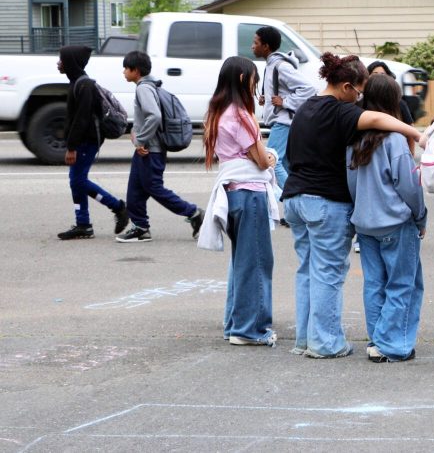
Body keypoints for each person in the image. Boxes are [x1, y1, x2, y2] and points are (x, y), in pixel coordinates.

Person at [283, 53, 423, 359]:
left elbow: (288, 156)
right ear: (346, 86)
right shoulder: (338, 111)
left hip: (294, 198)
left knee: (307, 270)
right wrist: (413, 132)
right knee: (328, 273)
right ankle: (326, 342)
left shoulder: (306, 108)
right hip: (324, 203)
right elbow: (376, 119)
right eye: (357, 91)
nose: (358, 98)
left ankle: (306, 339)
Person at [347, 74, 427, 363]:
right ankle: (393, 344)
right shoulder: (395, 141)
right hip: (395, 222)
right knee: (403, 283)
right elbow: (409, 185)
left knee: (375, 283)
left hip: (365, 223)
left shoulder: (355, 139)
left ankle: (377, 339)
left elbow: (352, 185)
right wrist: (421, 217)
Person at [200, 57, 278, 347]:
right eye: (255, 80)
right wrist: (270, 157)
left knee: (242, 262)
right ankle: (250, 330)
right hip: (250, 193)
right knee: (256, 263)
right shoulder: (241, 115)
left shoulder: (217, 112)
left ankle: (235, 324)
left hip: (231, 192)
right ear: (245, 79)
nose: (256, 86)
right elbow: (261, 158)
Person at [117, 51, 204, 243]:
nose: (123, 72)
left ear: (136, 70)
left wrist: (140, 139)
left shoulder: (143, 89)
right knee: (135, 190)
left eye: (126, 68)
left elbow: (154, 116)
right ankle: (140, 227)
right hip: (147, 148)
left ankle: (194, 213)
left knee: (154, 188)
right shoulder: (149, 86)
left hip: (150, 149)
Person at [56, 45, 127, 240]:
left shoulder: (84, 85)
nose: (58, 63)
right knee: (76, 182)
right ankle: (83, 224)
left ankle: (118, 207)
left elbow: (82, 119)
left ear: (71, 62)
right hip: (82, 141)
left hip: (86, 142)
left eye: (61, 60)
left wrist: (71, 147)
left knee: (78, 181)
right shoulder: (77, 82)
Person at [252, 26, 316, 199]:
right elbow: (280, 90)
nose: (252, 46)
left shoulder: (280, 66)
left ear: (266, 46)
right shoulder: (271, 65)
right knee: (286, 164)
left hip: (284, 122)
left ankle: (292, 200)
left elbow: (308, 88)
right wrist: (267, 99)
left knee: (273, 161)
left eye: (255, 43)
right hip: (282, 121)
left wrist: (285, 102)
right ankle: (293, 210)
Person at [366, 60, 414, 125]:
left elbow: (410, 127)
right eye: (375, 74)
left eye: (382, 74)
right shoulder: (362, 101)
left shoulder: (399, 103)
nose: (379, 78)